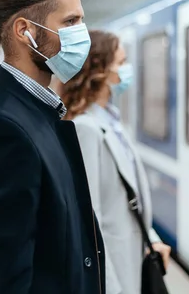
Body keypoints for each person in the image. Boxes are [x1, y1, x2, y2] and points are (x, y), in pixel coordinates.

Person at [0, 0, 106, 294]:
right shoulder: (5, 129)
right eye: (69, 22)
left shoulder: (31, 110)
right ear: (25, 31)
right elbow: (4, 273)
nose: (82, 33)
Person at [60, 30, 171, 294]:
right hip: (113, 274)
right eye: (121, 63)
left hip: (131, 258)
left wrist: (151, 239)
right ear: (100, 72)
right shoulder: (85, 129)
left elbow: (127, 199)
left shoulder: (110, 121)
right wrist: (108, 287)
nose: (126, 70)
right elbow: (90, 219)